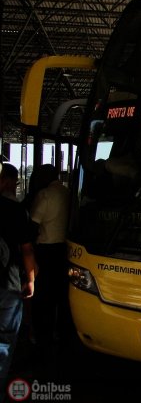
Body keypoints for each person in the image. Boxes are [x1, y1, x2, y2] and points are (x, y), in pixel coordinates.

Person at [0, 163, 37, 397]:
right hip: (9, 285)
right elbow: (27, 251)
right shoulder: (16, 211)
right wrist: (31, 279)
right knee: (3, 341)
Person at [28, 164, 72, 357]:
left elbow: (32, 225)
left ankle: (42, 337)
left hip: (45, 251)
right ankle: (62, 334)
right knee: (61, 295)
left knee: (43, 297)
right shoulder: (68, 193)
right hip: (65, 250)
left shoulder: (45, 195)